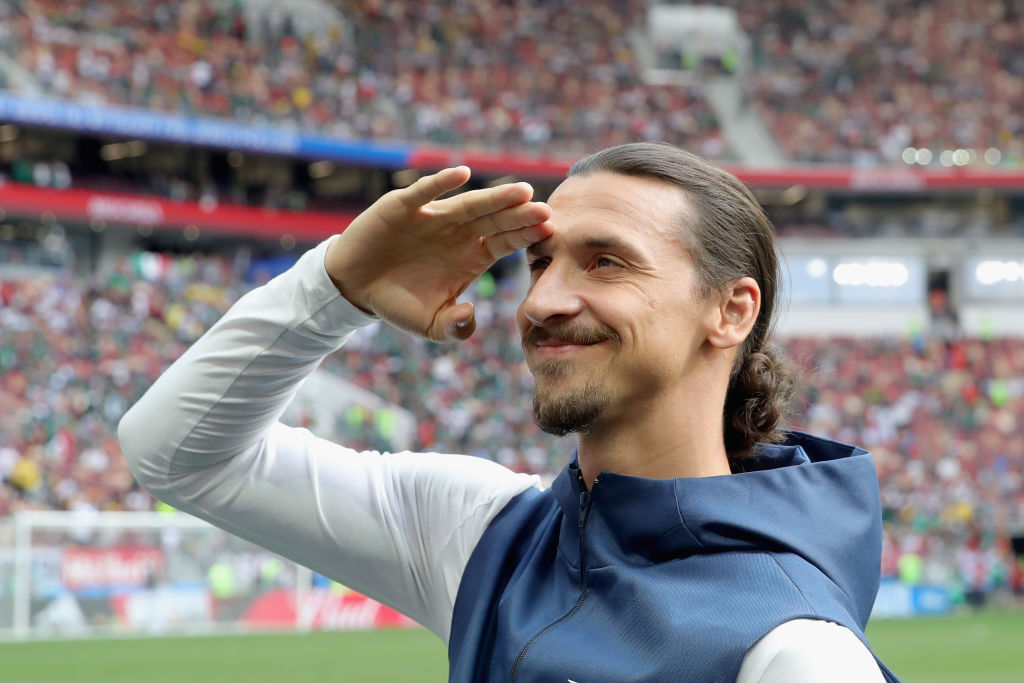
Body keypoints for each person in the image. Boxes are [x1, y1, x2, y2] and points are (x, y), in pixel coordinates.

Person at [120, 142, 900, 682]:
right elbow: (178, 454)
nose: (545, 301)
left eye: (605, 261)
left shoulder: (796, 650)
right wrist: (334, 287)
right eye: (538, 263)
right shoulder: (487, 532)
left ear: (729, 312)